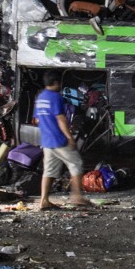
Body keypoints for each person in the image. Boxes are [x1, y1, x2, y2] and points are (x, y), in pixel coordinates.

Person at [34, 69, 92, 211]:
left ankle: (44, 201)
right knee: (76, 163)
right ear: (55, 82)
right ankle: (77, 197)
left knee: (49, 171)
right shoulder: (55, 97)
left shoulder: (40, 97)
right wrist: (69, 137)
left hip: (46, 141)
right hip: (58, 139)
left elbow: (36, 119)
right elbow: (60, 118)